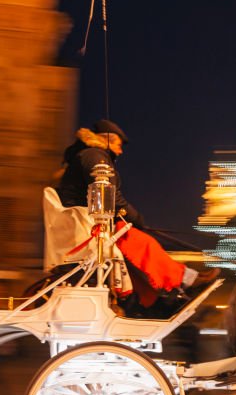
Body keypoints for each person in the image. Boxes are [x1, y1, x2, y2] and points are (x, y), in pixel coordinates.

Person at [56, 119, 220, 307]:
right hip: (88, 225)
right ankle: (186, 281)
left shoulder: (88, 155)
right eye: (118, 144)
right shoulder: (96, 157)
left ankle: (150, 301)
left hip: (85, 221)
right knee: (141, 242)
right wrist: (136, 219)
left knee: (130, 257)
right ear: (107, 140)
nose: (121, 150)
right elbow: (111, 196)